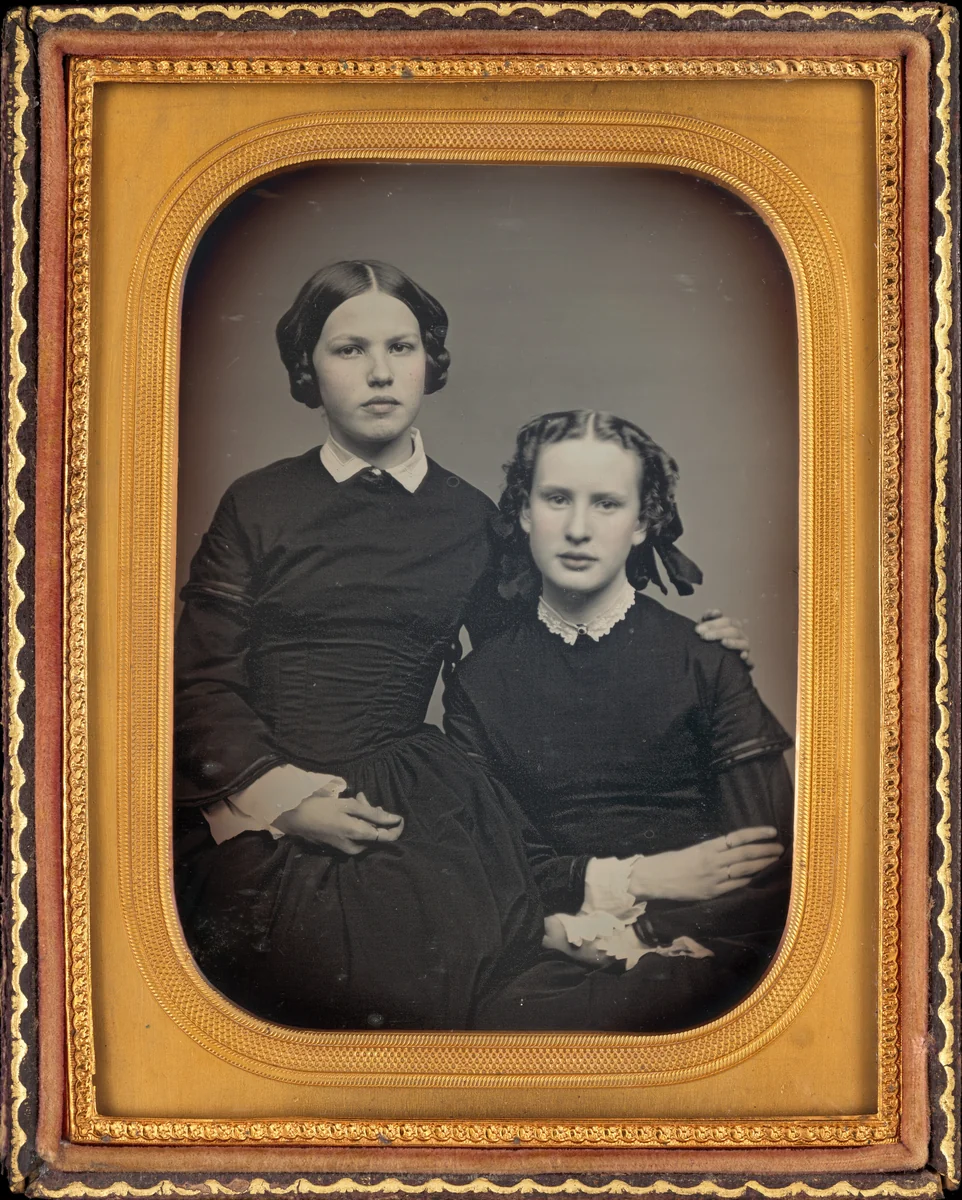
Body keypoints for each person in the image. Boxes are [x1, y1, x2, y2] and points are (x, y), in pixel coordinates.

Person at [174, 262, 751, 1031]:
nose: (380, 372)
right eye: (349, 350)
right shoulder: (257, 503)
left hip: (420, 797)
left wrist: (687, 644)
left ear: (428, 361)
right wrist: (288, 804)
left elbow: (531, 660)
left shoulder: (472, 518)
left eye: (401, 347)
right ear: (307, 366)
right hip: (264, 795)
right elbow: (201, 676)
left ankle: (542, 934)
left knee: (444, 970)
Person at [444, 410, 793, 1031]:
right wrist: (631, 890)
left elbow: (766, 859)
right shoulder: (479, 683)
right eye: (556, 499)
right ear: (523, 513)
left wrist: (648, 936)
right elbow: (492, 861)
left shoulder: (705, 660)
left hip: (702, 945)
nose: (578, 529)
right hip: (546, 943)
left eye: (607, 504)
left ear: (642, 523)